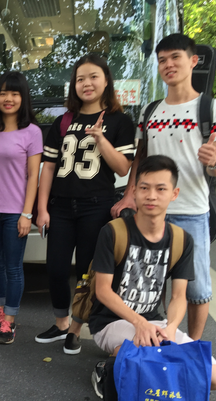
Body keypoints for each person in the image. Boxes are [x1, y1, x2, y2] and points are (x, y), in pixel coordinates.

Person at [111, 34, 216, 341]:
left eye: (176, 57)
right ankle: (159, 340)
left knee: (196, 289)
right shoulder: (150, 111)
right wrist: (129, 195)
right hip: (151, 213)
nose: (169, 65)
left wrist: (212, 162)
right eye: (162, 60)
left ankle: (192, 346)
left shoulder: (213, 109)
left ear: (193, 61)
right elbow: (141, 158)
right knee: (150, 286)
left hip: (192, 212)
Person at [89, 155, 216, 397]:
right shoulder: (113, 232)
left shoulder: (181, 239)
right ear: (134, 191)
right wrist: (139, 323)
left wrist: (171, 328)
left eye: (161, 189)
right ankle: (107, 369)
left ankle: (126, 365)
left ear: (174, 194)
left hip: (155, 322)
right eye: (144, 188)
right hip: (109, 321)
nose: (151, 196)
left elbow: (179, 296)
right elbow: (102, 290)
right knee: (146, 357)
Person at [34, 54, 136, 354]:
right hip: (61, 207)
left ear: (106, 81)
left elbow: (123, 167)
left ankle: (76, 329)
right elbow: (48, 168)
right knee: (55, 268)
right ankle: (61, 322)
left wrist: (101, 139)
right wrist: (42, 208)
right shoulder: (64, 120)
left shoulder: (120, 121)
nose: (86, 83)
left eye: (93, 77)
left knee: (86, 272)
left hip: (96, 205)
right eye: (80, 79)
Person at [0, 72, 43, 344]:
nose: (9, 98)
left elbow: (33, 176)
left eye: (15, 93)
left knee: (13, 267)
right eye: (3, 93)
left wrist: (27, 214)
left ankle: (11, 320)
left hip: (16, 213)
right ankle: (1, 312)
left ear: (23, 98)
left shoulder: (33, 132)